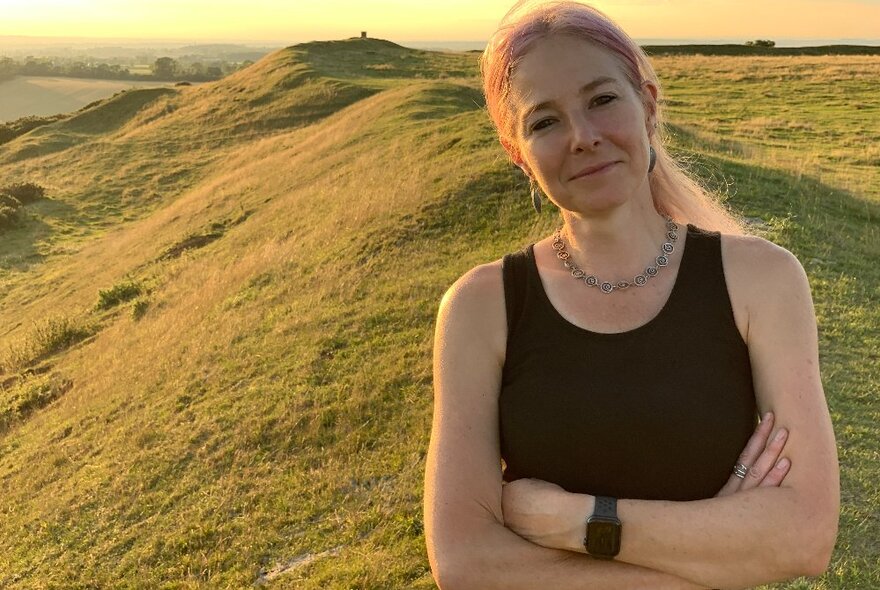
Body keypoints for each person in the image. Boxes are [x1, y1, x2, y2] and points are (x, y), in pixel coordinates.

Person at [423, 1, 839, 589]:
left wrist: (584, 521)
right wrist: (717, 551)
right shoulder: (482, 307)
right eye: (544, 122)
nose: (584, 138)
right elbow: (465, 562)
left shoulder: (762, 281)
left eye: (602, 100)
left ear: (646, 105)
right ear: (518, 154)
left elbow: (803, 535)